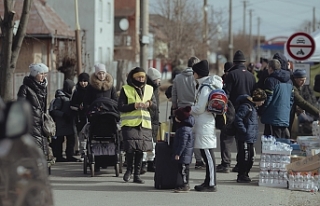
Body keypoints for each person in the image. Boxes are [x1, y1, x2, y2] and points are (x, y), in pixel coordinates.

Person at [217, 50, 256, 173]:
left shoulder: (231, 75)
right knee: (241, 138)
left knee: (226, 137)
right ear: (244, 62)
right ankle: (240, 164)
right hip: (246, 111)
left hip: (232, 110)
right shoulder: (251, 76)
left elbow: (226, 94)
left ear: (234, 62)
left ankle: (226, 164)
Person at [118, 67, 157, 184]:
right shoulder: (126, 89)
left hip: (144, 124)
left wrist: (149, 104)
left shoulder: (150, 89)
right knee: (130, 148)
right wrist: (134, 105)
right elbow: (120, 106)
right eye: (139, 77)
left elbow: (155, 106)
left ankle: (137, 175)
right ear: (133, 77)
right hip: (129, 124)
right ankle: (129, 170)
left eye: (143, 77)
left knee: (141, 150)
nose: (141, 79)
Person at [191, 60, 223, 192]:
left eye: (194, 72)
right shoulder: (204, 85)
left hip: (205, 124)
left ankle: (211, 183)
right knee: (206, 153)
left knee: (207, 153)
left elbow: (199, 108)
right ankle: (208, 181)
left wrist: (189, 108)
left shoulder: (205, 87)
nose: (193, 75)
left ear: (197, 73)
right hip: (205, 122)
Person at [171, 56, 205, 169]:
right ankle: (199, 160)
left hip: (181, 110)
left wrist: (175, 107)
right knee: (193, 135)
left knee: (182, 135)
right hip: (193, 109)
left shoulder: (178, 77)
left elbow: (174, 94)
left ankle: (181, 158)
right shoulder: (197, 78)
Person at [17, 63, 51, 159]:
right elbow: (20, 106)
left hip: (41, 122)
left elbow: (44, 106)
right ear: (34, 74)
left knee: (41, 146)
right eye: (41, 74)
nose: (43, 76)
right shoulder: (25, 88)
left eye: (45, 74)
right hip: (30, 122)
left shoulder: (44, 87)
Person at [234, 89, 267, 183]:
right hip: (245, 136)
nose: (263, 103)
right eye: (262, 100)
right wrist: (244, 131)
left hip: (250, 137)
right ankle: (242, 174)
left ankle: (245, 173)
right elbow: (238, 119)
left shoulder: (253, 108)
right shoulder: (246, 107)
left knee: (251, 157)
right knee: (245, 156)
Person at [259, 58, 293, 139]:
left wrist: (261, 111)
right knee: (282, 143)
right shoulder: (289, 81)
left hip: (272, 117)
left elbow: (268, 99)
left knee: (271, 144)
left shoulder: (270, 80)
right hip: (284, 116)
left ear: (270, 68)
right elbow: (291, 99)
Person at [50, 79, 79, 162]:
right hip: (61, 123)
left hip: (69, 122)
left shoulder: (71, 96)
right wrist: (63, 115)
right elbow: (54, 110)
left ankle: (70, 155)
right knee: (59, 140)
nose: (73, 89)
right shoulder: (60, 98)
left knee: (71, 139)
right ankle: (58, 156)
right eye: (72, 87)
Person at [140, 67, 161, 174]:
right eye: (158, 79)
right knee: (146, 142)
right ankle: (143, 163)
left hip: (154, 118)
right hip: (147, 117)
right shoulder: (147, 88)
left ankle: (151, 162)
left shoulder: (156, 88)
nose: (159, 81)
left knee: (153, 142)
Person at [289, 69, 320, 135]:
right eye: (301, 80)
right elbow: (301, 102)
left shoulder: (297, 86)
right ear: (295, 79)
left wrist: (297, 109)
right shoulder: (293, 87)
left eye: (304, 80)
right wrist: (317, 112)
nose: (303, 82)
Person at [173, 106, 195, 193]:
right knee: (184, 169)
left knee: (183, 170)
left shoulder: (183, 129)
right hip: (186, 153)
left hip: (183, 153)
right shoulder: (186, 127)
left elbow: (183, 143)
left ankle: (185, 185)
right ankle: (184, 184)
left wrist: (178, 153)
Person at [70, 72, 90, 155]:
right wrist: (78, 107)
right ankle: (82, 152)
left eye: (85, 81)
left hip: (89, 115)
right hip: (79, 117)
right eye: (81, 81)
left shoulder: (91, 91)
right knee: (81, 135)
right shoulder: (77, 91)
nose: (83, 83)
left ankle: (89, 151)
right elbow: (72, 105)